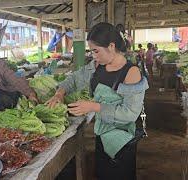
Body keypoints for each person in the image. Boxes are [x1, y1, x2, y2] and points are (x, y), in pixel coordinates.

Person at [46, 22, 148, 180]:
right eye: (91, 51)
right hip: (102, 134)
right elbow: (73, 80)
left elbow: (129, 114)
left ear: (112, 46)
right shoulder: (95, 67)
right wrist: (60, 93)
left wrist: (93, 106)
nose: (94, 56)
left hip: (122, 140)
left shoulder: (131, 72)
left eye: (96, 51)